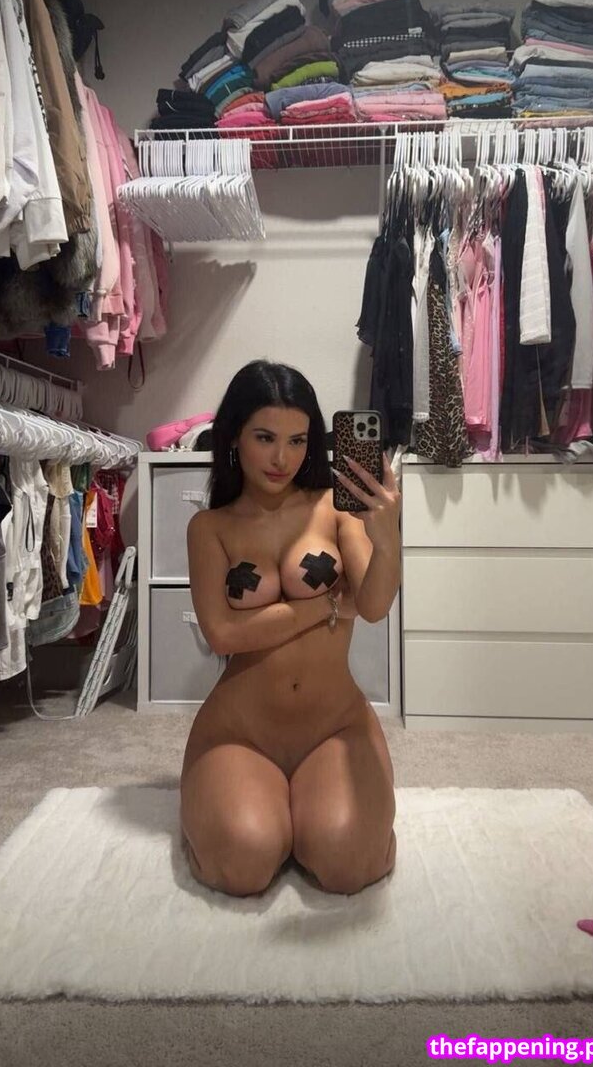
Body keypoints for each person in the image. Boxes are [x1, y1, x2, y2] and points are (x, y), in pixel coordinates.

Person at [180, 360, 401, 898]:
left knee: (349, 863)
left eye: (298, 440)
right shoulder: (210, 527)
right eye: (265, 438)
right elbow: (223, 634)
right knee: (242, 863)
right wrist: (325, 606)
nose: (283, 458)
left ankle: (309, 817)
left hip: (334, 727)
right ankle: (258, 813)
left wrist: (387, 537)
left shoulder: (335, 508)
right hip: (240, 731)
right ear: (234, 436)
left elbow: (373, 606)